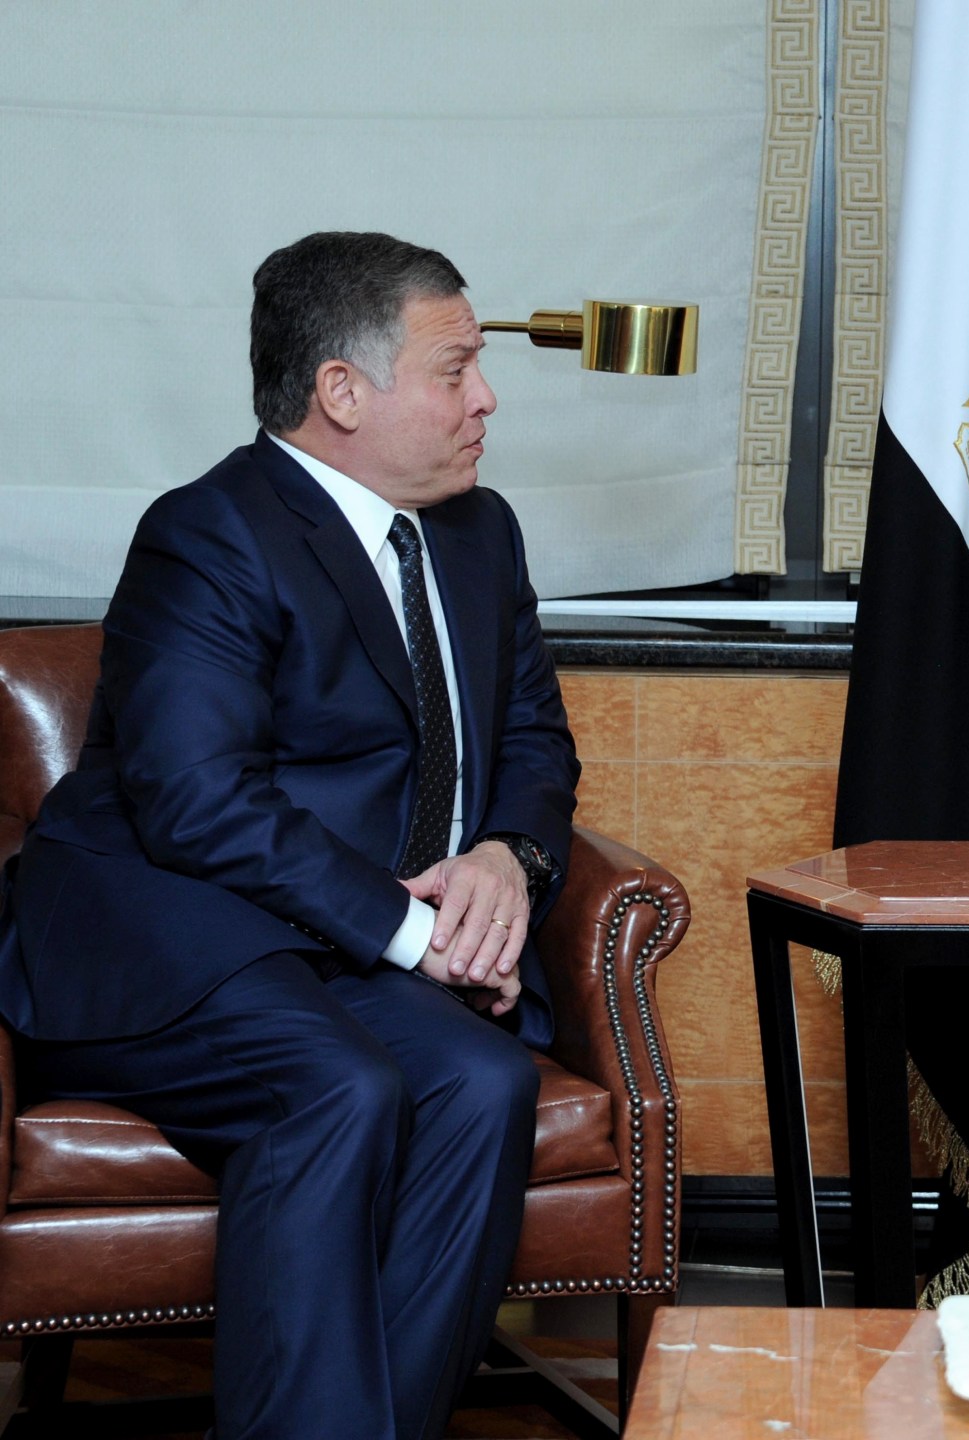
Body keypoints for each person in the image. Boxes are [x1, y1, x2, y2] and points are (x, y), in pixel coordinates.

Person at [0, 231, 579, 1438]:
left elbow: (534, 741)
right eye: (456, 368)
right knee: (338, 1088)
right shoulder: (210, 533)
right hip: (172, 929)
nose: (487, 397)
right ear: (342, 392)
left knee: (482, 1084)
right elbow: (195, 799)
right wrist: (421, 938)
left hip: (337, 945)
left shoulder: (480, 534)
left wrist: (506, 860)